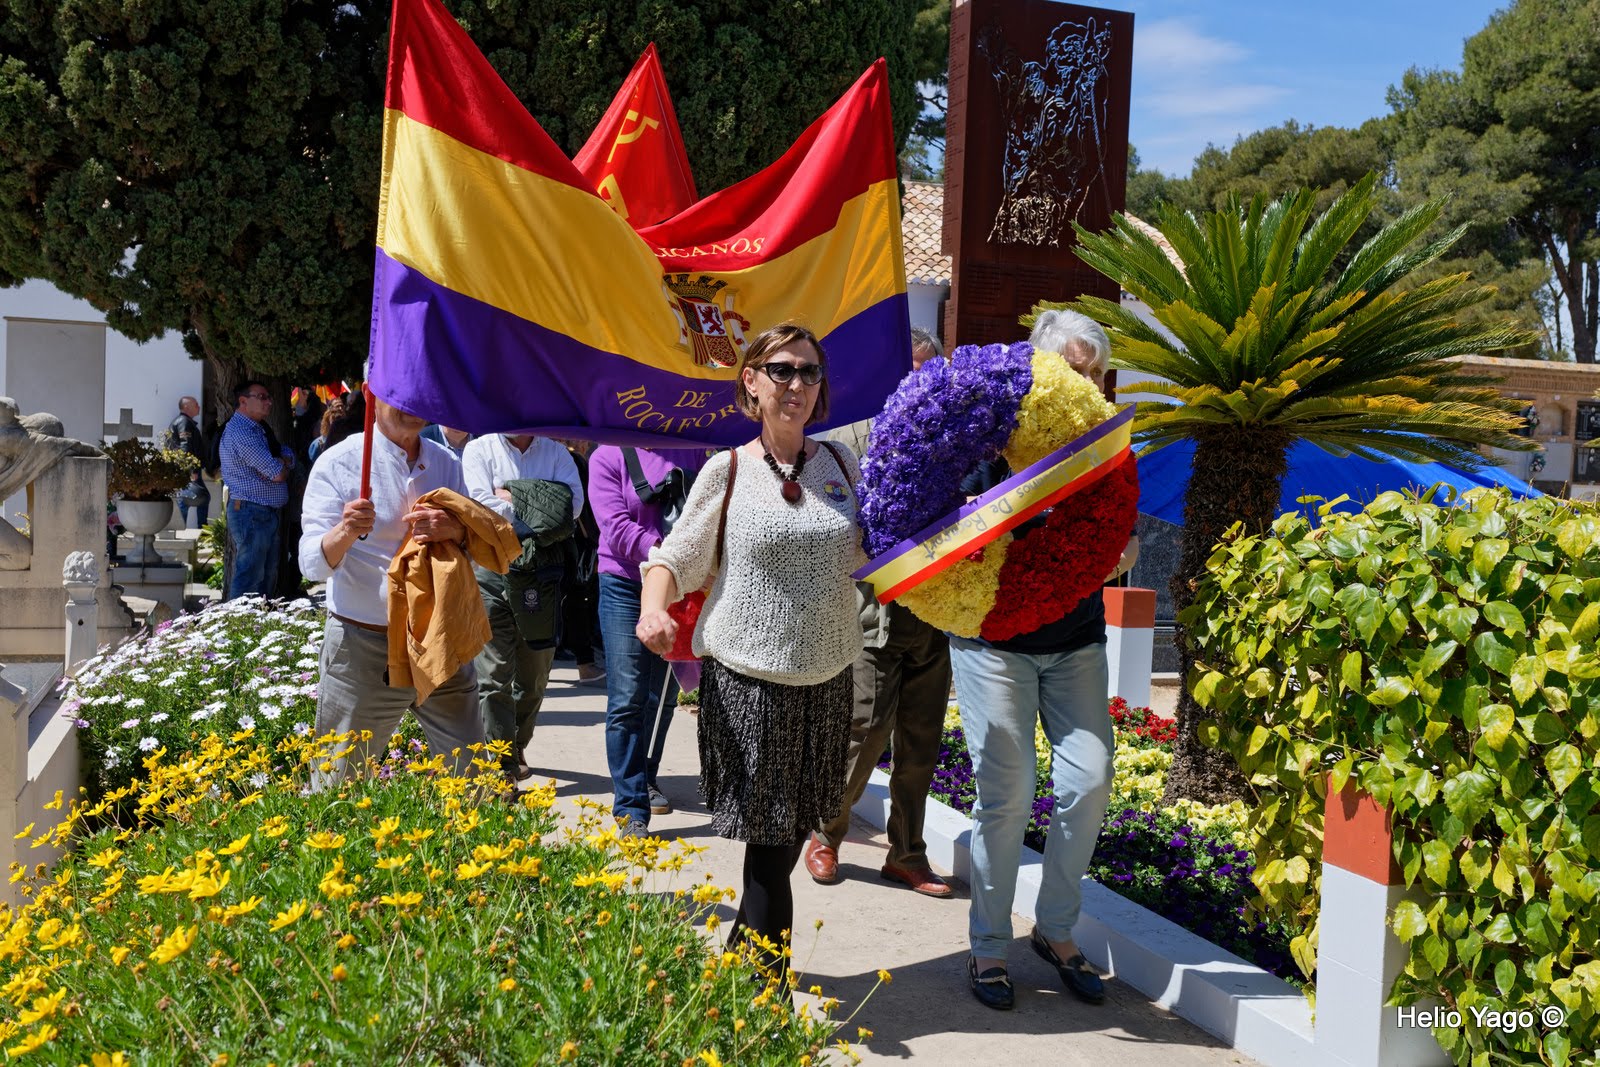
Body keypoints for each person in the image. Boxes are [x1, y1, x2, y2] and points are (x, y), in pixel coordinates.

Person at [637, 322, 864, 983]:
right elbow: (674, 556)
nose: (797, 384)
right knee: (770, 848)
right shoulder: (728, 469)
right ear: (752, 381)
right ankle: (766, 1005)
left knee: (789, 838)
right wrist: (654, 607)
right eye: (783, 370)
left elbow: (871, 551)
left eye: (810, 372)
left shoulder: (843, 468)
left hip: (827, 679)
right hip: (749, 684)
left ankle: (737, 968)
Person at [955, 308, 1138, 1011]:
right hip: (992, 644)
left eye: (1092, 370)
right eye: (1069, 365)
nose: (1081, 379)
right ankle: (988, 947)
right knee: (1006, 793)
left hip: (1074, 642)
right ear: (1038, 365)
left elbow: (1121, 538)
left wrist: (1119, 553)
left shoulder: (1107, 450)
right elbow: (947, 523)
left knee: (1089, 780)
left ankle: (1054, 931)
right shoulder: (991, 432)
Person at [806, 327, 954, 897]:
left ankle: (907, 854)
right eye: (908, 369)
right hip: (870, 614)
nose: (918, 381)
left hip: (934, 613)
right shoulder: (850, 439)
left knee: (920, 742)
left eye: (926, 371)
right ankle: (825, 834)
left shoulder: (951, 437)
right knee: (861, 729)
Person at [300, 398, 487, 777]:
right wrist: (346, 531)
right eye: (400, 394)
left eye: (421, 393)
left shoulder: (446, 463)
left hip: (439, 640)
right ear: (371, 394)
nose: (413, 404)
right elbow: (312, 565)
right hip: (364, 648)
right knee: (338, 783)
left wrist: (455, 529)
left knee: (473, 779)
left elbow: (477, 542)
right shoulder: (339, 463)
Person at [590, 443, 706, 831]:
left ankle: (647, 778)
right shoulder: (607, 455)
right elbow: (616, 527)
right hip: (624, 583)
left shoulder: (692, 450)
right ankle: (630, 807)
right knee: (627, 696)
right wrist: (666, 556)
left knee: (662, 697)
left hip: (681, 584)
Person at [461, 432, 584, 783]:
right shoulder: (478, 449)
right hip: (490, 569)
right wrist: (542, 500)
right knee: (493, 673)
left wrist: (512, 494)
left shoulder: (557, 452)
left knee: (535, 674)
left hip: (541, 574)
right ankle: (501, 764)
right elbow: (481, 505)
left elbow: (571, 508)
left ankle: (515, 744)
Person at [218, 381, 296, 599]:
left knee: (266, 577)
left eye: (269, 397)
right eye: (262, 397)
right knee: (250, 578)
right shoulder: (243, 432)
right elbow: (278, 473)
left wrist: (282, 462)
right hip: (251, 512)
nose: (269, 401)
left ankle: (256, 626)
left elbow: (286, 456)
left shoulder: (257, 429)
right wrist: (280, 465)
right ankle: (239, 627)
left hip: (260, 512)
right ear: (243, 401)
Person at [163, 395, 210, 527]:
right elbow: (185, 447)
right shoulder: (184, 422)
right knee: (193, 498)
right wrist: (191, 470)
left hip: (183, 469)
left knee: (200, 497)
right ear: (186, 407)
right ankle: (199, 530)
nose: (199, 407)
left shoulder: (183, 421)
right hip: (187, 470)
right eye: (196, 405)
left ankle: (197, 529)